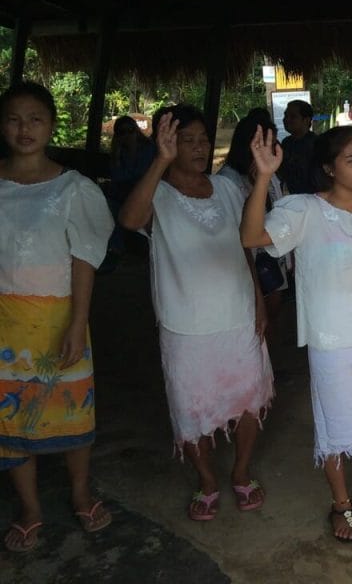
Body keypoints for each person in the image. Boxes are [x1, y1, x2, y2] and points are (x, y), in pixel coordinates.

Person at [241, 125, 352, 542]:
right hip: (331, 339)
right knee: (335, 422)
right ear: (329, 168)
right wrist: (264, 176)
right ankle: (341, 504)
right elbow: (251, 236)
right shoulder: (304, 211)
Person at [120, 105, 274, 523]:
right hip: (184, 324)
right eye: (187, 140)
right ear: (165, 143)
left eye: (203, 139)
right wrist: (161, 162)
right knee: (191, 406)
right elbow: (130, 219)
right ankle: (207, 480)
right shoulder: (157, 193)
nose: (199, 148)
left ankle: (241, 471)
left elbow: (245, 245)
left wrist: (258, 299)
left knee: (249, 398)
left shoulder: (226, 188)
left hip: (238, 314)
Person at [0, 82, 115, 553]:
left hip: (57, 318)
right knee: (7, 417)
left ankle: (80, 492)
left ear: (50, 125)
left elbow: (84, 260)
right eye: (13, 119)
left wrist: (76, 323)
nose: (23, 129)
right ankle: (30, 509)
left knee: (68, 408)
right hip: (4, 321)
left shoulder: (74, 188)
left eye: (35, 119)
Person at [219, 112, 289, 338]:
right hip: (246, 256)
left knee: (273, 306)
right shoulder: (227, 180)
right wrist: (259, 182)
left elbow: (278, 204)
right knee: (253, 310)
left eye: (274, 142)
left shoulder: (270, 172)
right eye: (265, 143)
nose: (272, 148)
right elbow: (239, 230)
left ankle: (264, 355)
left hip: (271, 251)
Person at [106, 115, 156, 259]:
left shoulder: (148, 149)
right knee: (111, 206)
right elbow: (117, 176)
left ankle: (119, 247)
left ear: (136, 130)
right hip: (122, 194)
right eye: (122, 132)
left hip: (144, 194)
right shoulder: (118, 153)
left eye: (130, 130)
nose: (127, 135)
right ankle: (116, 248)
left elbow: (144, 176)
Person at [279, 99, 317, 194]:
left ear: (306, 120)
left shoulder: (317, 144)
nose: (286, 120)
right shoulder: (286, 143)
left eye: (293, 116)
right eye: (285, 115)